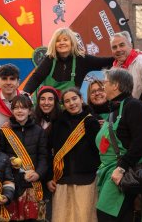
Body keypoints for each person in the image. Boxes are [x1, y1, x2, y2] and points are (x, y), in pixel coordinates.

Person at [95, 68, 142, 221]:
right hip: (110, 172)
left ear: (116, 85)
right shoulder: (114, 109)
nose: (103, 87)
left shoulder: (133, 106)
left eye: (105, 83)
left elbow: (141, 141)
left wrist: (121, 168)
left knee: (106, 216)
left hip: (122, 171)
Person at [47, 87, 100, 222]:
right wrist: (49, 177)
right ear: (63, 105)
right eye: (67, 101)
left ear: (81, 99)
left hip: (86, 179)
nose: (72, 103)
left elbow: (100, 151)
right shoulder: (57, 123)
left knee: (85, 218)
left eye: (74, 99)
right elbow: (48, 151)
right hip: (62, 181)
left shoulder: (93, 122)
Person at [0, 94, 48, 221]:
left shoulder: (39, 131)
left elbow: (44, 157)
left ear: (29, 110)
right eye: (16, 108)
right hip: (12, 184)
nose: (20, 111)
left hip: (32, 184)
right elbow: (0, 156)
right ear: (12, 110)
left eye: (23, 108)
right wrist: (9, 161)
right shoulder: (4, 131)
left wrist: (38, 174)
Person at [23, 27, 113, 95]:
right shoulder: (49, 59)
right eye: (58, 41)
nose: (62, 43)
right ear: (54, 44)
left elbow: (104, 63)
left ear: (72, 43)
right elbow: (37, 77)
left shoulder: (82, 59)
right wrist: (25, 93)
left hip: (71, 109)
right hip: (49, 107)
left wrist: (122, 56)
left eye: (65, 40)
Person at [33, 86, 61, 222]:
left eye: (50, 99)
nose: (46, 102)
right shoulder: (33, 121)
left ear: (56, 102)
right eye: (42, 99)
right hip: (35, 175)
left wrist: (51, 177)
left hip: (55, 177)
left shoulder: (62, 121)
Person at [110, 31, 142, 99]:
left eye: (122, 45)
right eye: (114, 47)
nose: (118, 49)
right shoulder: (113, 69)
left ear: (130, 45)